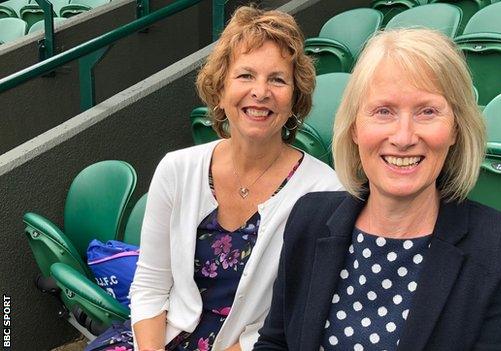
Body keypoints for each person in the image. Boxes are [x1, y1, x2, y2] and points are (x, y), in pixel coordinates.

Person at [254, 28, 501, 351]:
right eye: (383, 111)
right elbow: (275, 342)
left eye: (427, 111)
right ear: (355, 127)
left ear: (455, 128)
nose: (403, 137)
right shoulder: (308, 217)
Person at [128, 6, 342, 351]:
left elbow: (299, 316)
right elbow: (150, 286)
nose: (260, 92)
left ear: (295, 97)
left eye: (277, 79)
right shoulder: (175, 168)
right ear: (220, 89)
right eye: (245, 76)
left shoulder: (326, 193)